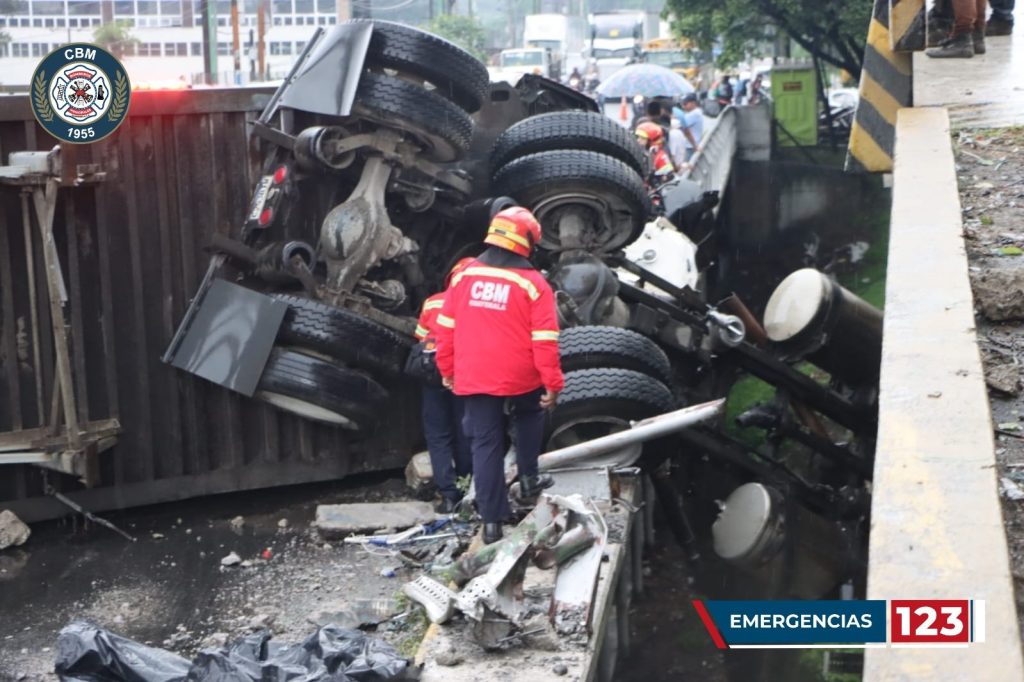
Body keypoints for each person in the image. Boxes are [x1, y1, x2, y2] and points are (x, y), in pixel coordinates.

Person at [435, 207, 563, 545]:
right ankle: (530, 479)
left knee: (485, 443)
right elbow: (545, 340)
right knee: (530, 415)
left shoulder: (463, 277)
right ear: (528, 242)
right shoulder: (535, 285)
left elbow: (444, 329)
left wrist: (447, 371)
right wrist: (552, 383)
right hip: (521, 374)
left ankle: (492, 524)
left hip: (475, 374)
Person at [414, 258, 475, 514]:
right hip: (465, 375)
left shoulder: (432, 302)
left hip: (433, 375)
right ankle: (467, 486)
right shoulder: (476, 304)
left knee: (438, 436)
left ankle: (448, 496)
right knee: (465, 433)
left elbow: (420, 337)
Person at [634, 121, 676, 186]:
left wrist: (654, 178)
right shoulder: (640, 153)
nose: (638, 140)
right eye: (638, 137)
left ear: (651, 140)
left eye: (643, 138)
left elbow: (668, 177)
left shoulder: (661, 156)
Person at [674, 93, 704, 164]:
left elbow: (680, 125)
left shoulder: (695, 114)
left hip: (690, 146)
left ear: (693, 103)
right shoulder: (694, 112)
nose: (683, 106)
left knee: (686, 165)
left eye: (685, 104)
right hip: (691, 144)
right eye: (682, 104)